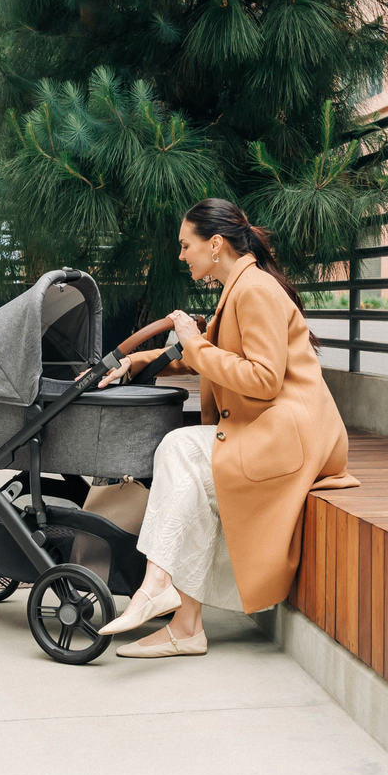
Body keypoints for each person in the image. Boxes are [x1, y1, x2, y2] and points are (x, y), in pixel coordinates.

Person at [97, 198, 359, 659]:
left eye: (186, 245)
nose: (181, 256)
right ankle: (185, 626)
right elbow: (207, 355)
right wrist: (135, 363)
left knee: (179, 449)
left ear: (214, 244)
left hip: (287, 437)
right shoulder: (239, 287)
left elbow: (261, 378)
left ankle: (158, 586)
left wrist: (195, 341)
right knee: (191, 472)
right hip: (275, 431)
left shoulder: (253, 289)